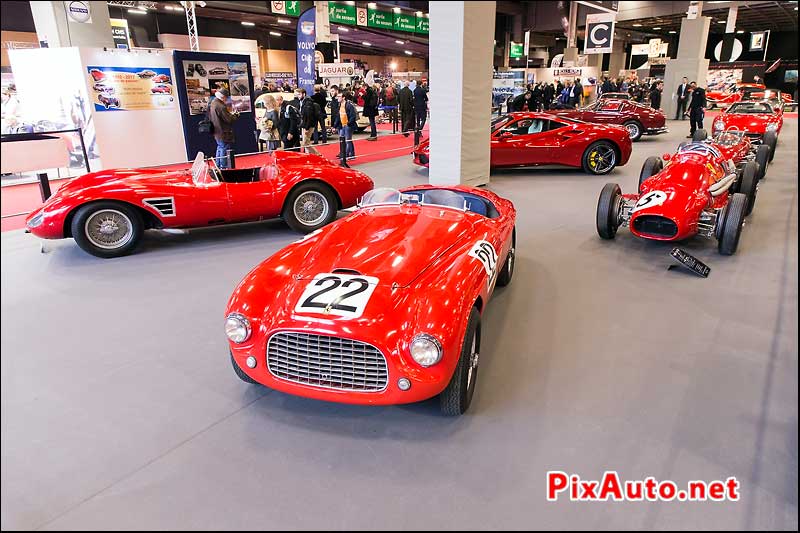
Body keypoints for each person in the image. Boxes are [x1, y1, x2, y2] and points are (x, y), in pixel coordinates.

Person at [208, 88, 239, 169]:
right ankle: (223, 166)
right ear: (223, 97)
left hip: (217, 130)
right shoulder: (221, 106)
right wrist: (235, 115)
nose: (227, 99)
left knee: (220, 148)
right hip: (224, 131)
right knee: (224, 149)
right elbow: (228, 119)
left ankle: (218, 165)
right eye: (226, 97)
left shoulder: (213, 103)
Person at [333, 91, 358, 160]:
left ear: (343, 98)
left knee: (347, 140)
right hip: (342, 125)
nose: (337, 98)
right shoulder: (339, 105)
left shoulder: (349, 105)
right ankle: (351, 154)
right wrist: (335, 126)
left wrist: (348, 124)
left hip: (347, 125)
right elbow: (338, 116)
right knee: (345, 140)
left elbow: (353, 116)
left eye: (339, 97)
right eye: (337, 96)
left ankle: (346, 155)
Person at [295, 88, 319, 155]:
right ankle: (309, 155)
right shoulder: (302, 102)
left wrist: (307, 128)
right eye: (297, 94)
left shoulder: (308, 103)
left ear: (304, 94)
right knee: (306, 142)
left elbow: (309, 116)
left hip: (308, 125)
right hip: (304, 124)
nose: (298, 96)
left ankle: (317, 154)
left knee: (305, 143)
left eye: (299, 94)